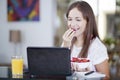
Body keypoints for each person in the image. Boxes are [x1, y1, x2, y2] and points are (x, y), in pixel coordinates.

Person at [61, 1, 110, 79]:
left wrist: (89, 75)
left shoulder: (96, 46)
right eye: (70, 19)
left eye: (78, 20)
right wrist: (66, 46)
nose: (72, 24)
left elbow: (106, 77)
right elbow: (59, 70)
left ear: (88, 21)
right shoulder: (67, 42)